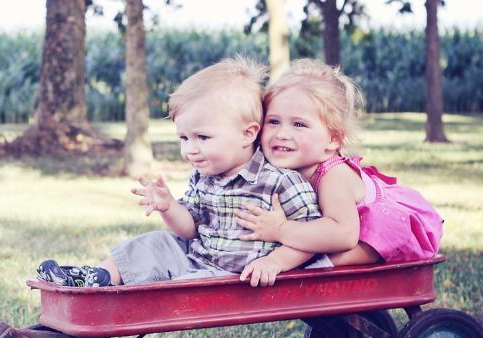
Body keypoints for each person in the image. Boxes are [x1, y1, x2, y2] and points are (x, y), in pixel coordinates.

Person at [37, 55, 321, 288]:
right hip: (198, 258)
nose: (190, 150)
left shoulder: (279, 182)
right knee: (155, 242)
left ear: (247, 134)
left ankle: (120, 292)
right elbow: (189, 229)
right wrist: (169, 207)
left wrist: (275, 262)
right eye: (184, 138)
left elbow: (311, 239)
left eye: (203, 138)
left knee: (179, 287)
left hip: (234, 277)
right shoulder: (203, 175)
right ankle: (97, 278)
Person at [235, 58, 443, 266]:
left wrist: (280, 230)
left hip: (385, 230)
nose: (282, 134)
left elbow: (343, 234)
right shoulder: (281, 165)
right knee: (308, 244)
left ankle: (319, 266)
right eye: (274, 121)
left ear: (333, 139)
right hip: (340, 227)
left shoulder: (334, 177)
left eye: (299, 124)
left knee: (330, 253)